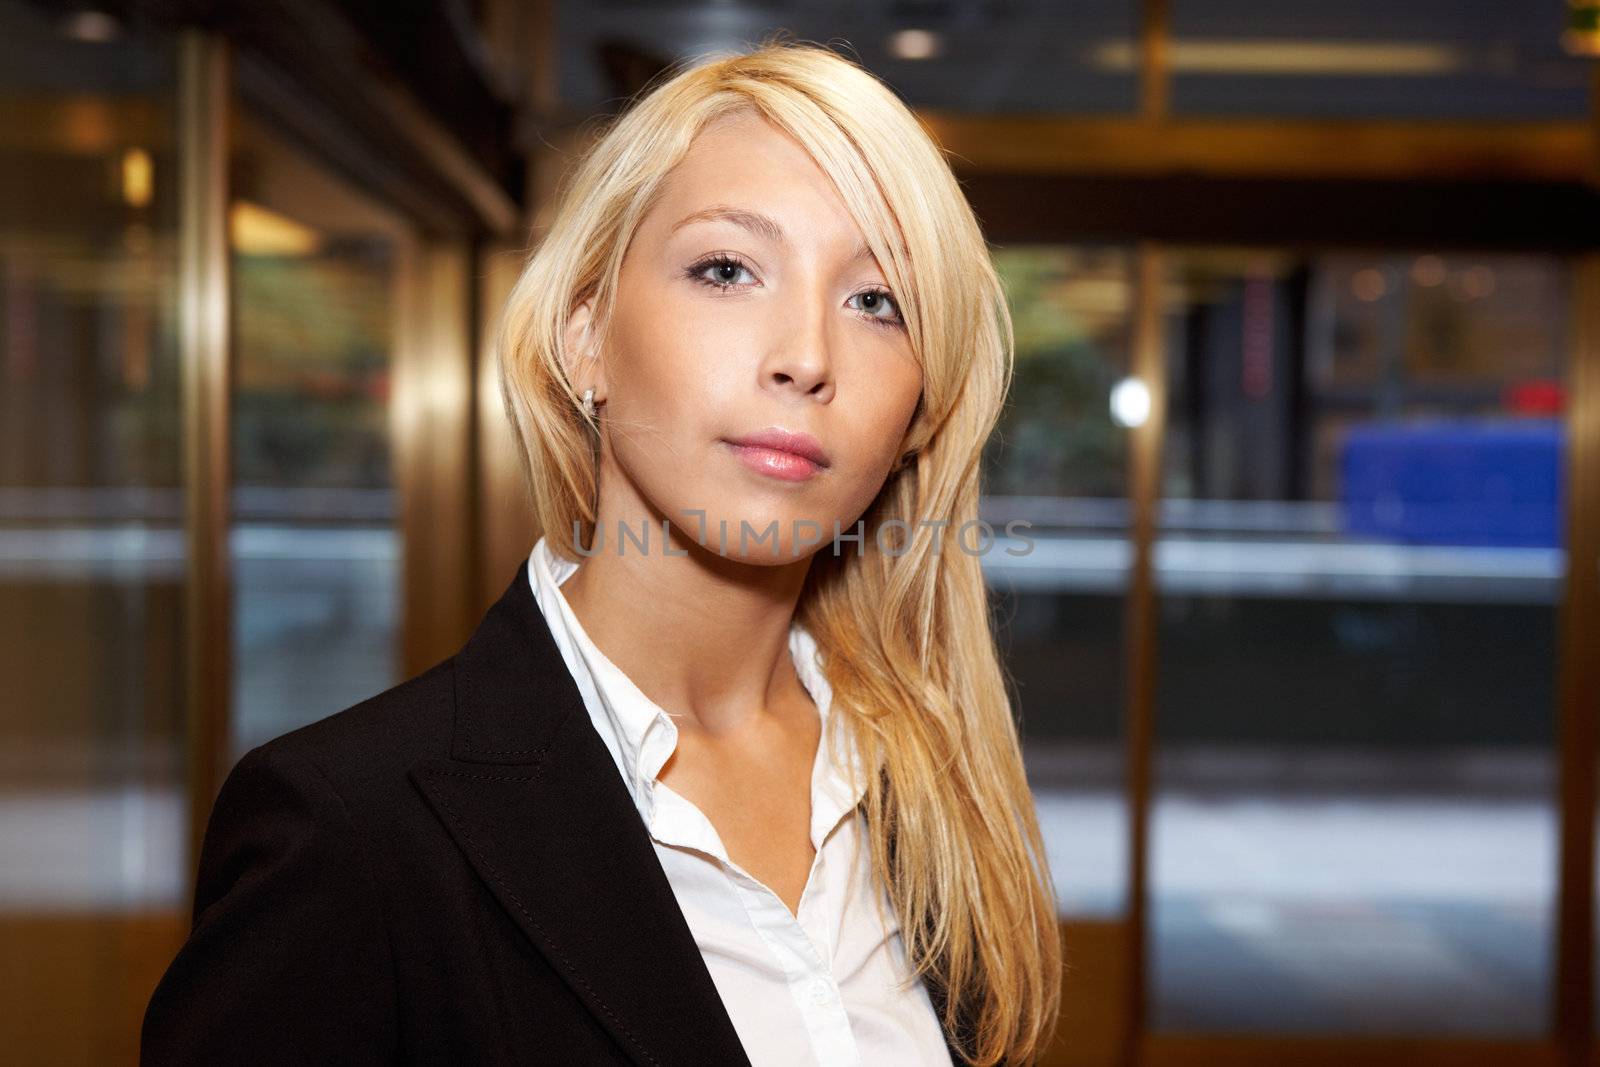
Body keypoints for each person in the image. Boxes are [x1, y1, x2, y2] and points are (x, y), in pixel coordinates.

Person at [141, 37, 1062, 1067]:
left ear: (921, 410)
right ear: (585, 335)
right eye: (726, 269)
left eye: (876, 301)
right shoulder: (351, 831)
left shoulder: (932, 794)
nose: (806, 355)